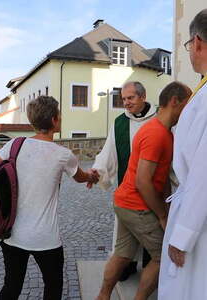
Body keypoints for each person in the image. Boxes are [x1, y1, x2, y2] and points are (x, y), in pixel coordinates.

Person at [0, 96, 99, 300]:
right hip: (46, 238)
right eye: (59, 115)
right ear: (54, 120)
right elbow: (80, 178)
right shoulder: (63, 154)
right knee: (53, 287)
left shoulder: (15, 144)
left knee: (11, 286)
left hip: (13, 233)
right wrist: (92, 177)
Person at [96, 82, 192, 300]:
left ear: (143, 97)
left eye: (131, 98)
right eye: (187, 105)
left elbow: (163, 175)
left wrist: (168, 207)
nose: (189, 110)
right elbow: (143, 181)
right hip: (136, 205)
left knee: (122, 254)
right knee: (163, 256)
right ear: (174, 102)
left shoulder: (160, 129)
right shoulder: (156, 133)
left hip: (125, 202)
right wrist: (162, 215)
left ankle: (102, 296)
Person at [158, 9, 207, 300]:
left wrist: (183, 234)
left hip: (198, 219)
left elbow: (204, 171)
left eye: (188, 46)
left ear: (197, 43)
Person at [93, 81, 157, 280]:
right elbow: (108, 151)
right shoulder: (120, 122)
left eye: (131, 98)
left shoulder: (159, 118)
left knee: (152, 229)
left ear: (143, 96)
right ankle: (127, 264)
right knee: (125, 230)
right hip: (128, 190)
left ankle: (150, 264)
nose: (126, 103)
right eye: (123, 99)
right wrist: (97, 171)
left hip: (153, 188)